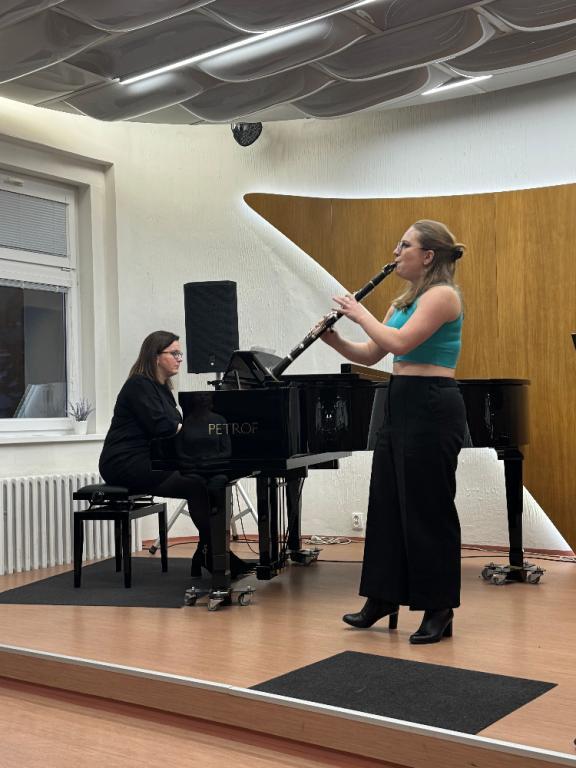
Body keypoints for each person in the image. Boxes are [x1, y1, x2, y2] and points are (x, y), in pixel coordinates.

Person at [322, 220, 467, 644]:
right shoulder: (403, 300)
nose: (395, 251)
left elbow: (401, 343)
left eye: (404, 245)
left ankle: (439, 609)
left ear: (428, 255)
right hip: (400, 399)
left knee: (428, 509)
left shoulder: (443, 296)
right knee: (385, 502)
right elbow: (373, 352)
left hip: (433, 402)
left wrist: (359, 312)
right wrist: (333, 339)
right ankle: (382, 597)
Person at [99, 330, 250, 578]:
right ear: (155, 356)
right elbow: (163, 426)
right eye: (174, 353)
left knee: (212, 480)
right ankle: (214, 554)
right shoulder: (138, 385)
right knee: (196, 485)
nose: (180, 359)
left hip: (151, 459)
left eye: (180, 354)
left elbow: (176, 427)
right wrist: (198, 432)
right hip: (125, 462)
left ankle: (210, 552)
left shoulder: (163, 389)